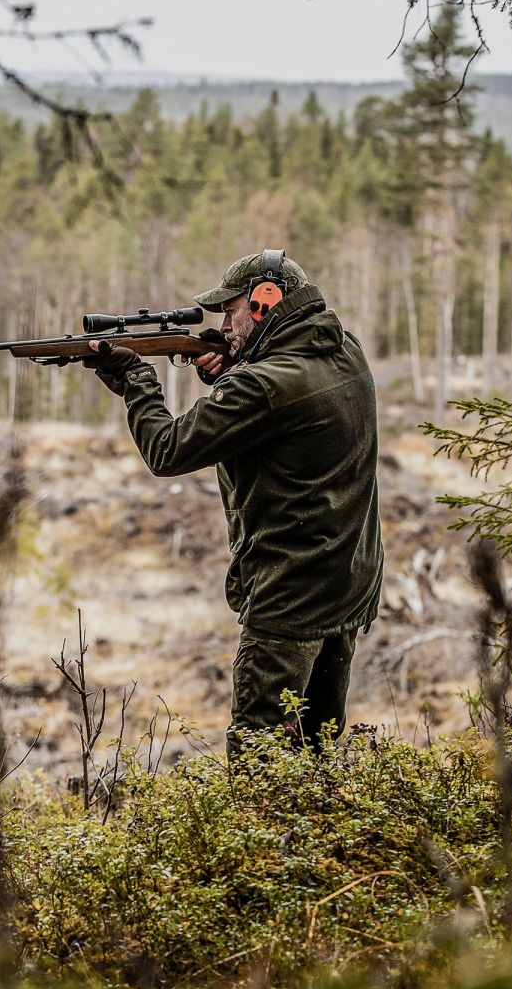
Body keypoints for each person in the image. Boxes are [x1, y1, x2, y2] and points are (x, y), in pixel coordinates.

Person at [84, 249, 384, 757]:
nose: (223, 324)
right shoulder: (343, 350)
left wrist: (137, 382)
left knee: (259, 760)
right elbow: (282, 417)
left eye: (230, 310)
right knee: (318, 754)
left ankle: (267, 838)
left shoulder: (264, 383)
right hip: (347, 583)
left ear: (267, 301)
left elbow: (168, 450)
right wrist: (229, 373)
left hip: (288, 597)